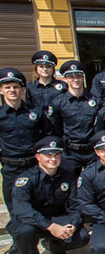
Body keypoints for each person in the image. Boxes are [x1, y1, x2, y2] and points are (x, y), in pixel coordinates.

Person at [9, 136, 90, 254]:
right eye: (48, 156)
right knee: (24, 232)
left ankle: (54, 246)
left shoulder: (68, 177)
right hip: (32, 221)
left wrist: (74, 224)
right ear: (38, 157)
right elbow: (22, 209)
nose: (53, 159)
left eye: (56, 155)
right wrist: (50, 226)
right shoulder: (26, 179)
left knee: (82, 237)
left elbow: (76, 206)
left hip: (56, 217)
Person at [0, 68, 50, 254]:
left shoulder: (35, 112)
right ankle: (19, 242)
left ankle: (46, 238)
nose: (12, 90)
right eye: (8, 87)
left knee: (40, 203)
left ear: (22, 90)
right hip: (11, 168)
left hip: (33, 166)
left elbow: (47, 135)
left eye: (16, 87)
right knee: (15, 208)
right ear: (1, 90)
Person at [48, 61, 101, 177]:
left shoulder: (95, 101)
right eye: (71, 77)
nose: (75, 80)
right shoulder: (58, 103)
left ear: (83, 78)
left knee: (95, 182)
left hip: (92, 151)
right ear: (65, 79)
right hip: (70, 152)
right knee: (70, 185)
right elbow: (55, 128)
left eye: (78, 76)